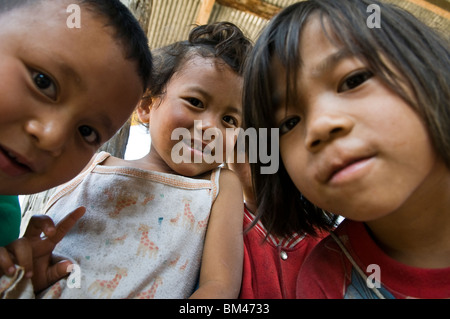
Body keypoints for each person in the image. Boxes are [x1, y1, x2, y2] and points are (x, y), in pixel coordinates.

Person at [26, 21, 252, 298]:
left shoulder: (219, 187)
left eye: (229, 120)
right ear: (146, 105)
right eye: (195, 102)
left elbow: (220, 286)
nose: (211, 127)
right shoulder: (91, 167)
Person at [243, 0, 449, 299]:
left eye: (353, 80)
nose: (318, 127)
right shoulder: (325, 284)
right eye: (288, 123)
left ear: (428, 69)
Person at [0, 0, 152, 285]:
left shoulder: (5, 220)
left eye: (86, 132)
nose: (52, 137)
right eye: (43, 82)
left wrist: (18, 284)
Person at [227, 147, 328, 299]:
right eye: (242, 145)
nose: (258, 156)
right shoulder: (219, 234)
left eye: (270, 144)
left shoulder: (334, 242)